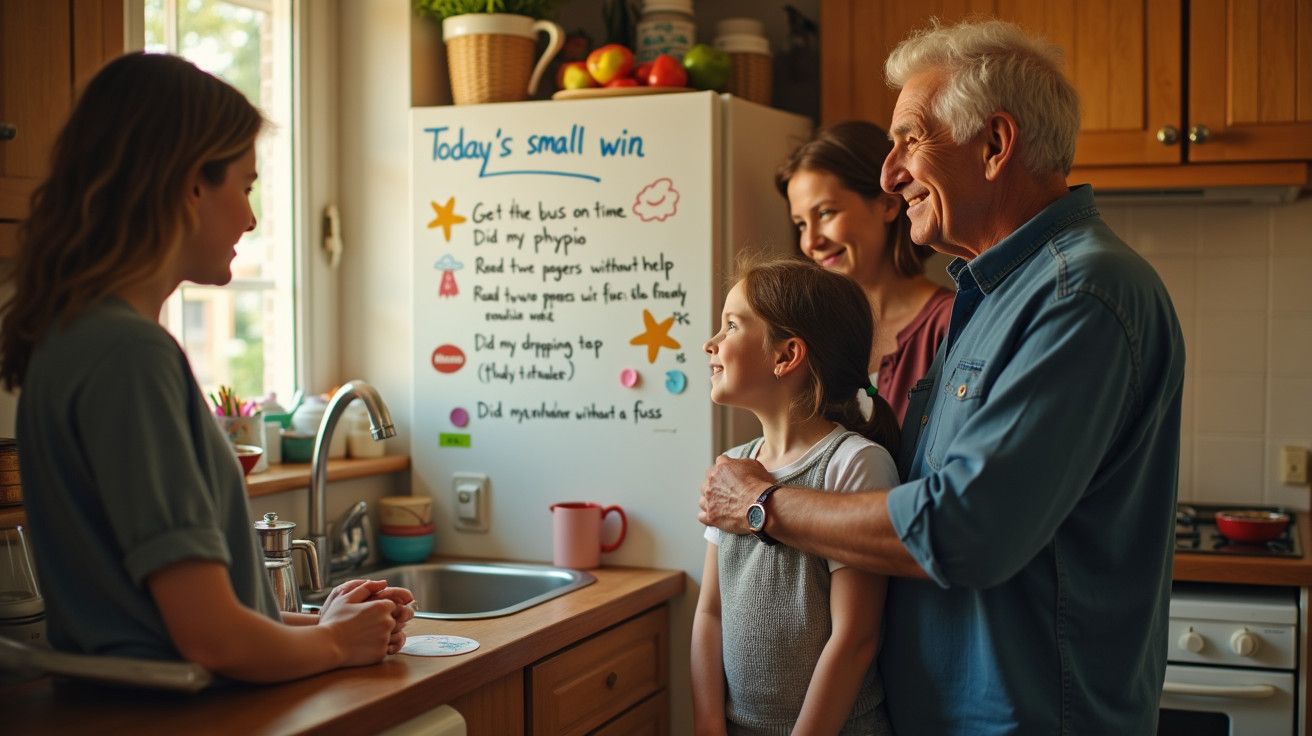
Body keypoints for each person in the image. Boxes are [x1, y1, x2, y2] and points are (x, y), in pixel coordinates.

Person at [698, 19, 1184, 735]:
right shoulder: (990, 299)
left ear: (994, 145)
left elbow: (963, 528)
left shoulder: (1079, 294)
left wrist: (764, 506)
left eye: (911, 140)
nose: (892, 173)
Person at [0, 52, 414, 684]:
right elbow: (214, 640)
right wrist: (335, 647)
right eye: (245, 187)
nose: (250, 217)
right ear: (191, 182)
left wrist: (330, 623)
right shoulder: (127, 356)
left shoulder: (79, 338)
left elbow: (157, 626)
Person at [691, 257, 901, 735]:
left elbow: (855, 638)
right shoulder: (731, 469)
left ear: (786, 356)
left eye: (730, 326)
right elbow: (709, 612)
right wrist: (707, 721)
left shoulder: (854, 464)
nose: (711, 343)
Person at [777, 120, 952, 422]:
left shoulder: (949, 324)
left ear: (887, 205)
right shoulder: (810, 334)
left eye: (826, 212)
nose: (810, 242)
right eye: (801, 224)